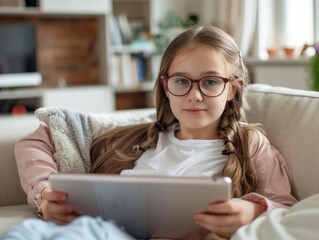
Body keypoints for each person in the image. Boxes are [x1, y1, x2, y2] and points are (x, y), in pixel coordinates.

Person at [15, 25, 297, 239]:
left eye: (210, 82)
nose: (194, 95)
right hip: (103, 229)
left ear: (232, 88)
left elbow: (286, 207)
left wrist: (253, 211)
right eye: (181, 81)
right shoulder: (137, 138)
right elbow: (39, 140)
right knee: (25, 232)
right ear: (166, 86)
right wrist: (44, 194)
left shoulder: (249, 144)